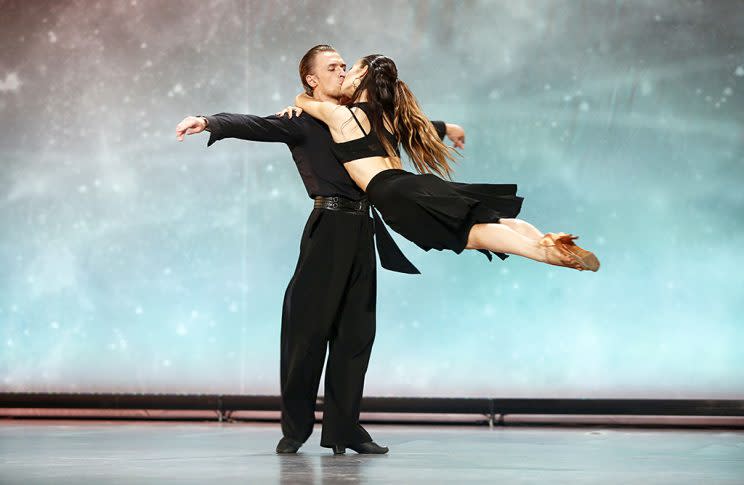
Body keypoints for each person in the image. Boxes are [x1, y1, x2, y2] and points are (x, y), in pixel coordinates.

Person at [175, 45, 465, 455]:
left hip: (363, 230)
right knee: (306, 334)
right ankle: (295, 429)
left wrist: (445, 127)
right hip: (327, 230)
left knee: (355, 335)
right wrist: (207, 121)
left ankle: (344, 430)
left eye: (345, 66)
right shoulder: (302, 120)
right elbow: (253, 124)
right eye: (333, 67)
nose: (343, 71)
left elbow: (404, 123)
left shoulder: (364, 116)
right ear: (311, 79)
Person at [294, 54, 600, 271]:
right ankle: (544, 239)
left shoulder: (343, 116)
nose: (343, 75)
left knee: (472, 235)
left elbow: (308, 102)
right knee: (488, 221)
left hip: (391, 194)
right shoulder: (387, 115)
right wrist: (450, 128)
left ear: (361, 77)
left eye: (349, 71)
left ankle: (542, 252)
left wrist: (300, 99)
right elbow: (424, 126)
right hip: (409, 183)